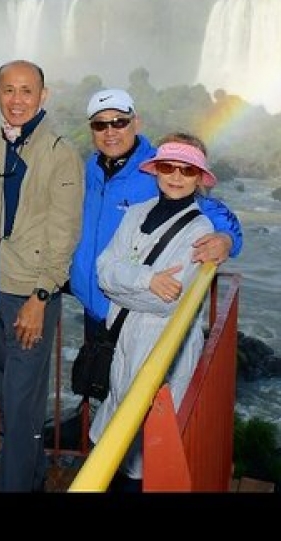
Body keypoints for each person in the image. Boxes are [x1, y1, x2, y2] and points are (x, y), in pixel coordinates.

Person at [90, 134, 220, 490]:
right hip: (126, 336)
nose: (176, 177)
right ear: (155, 170)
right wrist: (147, 279)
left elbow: (169, 301)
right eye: (168, 167)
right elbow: (103, 272)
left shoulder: (201, 230)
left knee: (145, 444)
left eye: (187, 170)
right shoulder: (134, 214)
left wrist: (125, 286)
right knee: (119, 421)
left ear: (199, 178)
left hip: (163, 345)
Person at [69, 88, 244, 347]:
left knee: (133, 382)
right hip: (93, 302)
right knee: (97, 384)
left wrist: (227, 239)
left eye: (119, 122)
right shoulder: (92, 165)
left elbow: (210, 208)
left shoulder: (161, 166)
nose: (110, 132)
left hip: (133, 307)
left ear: (135, 122)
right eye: (100, 124)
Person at [0, 60, 85, 492]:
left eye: (27, 91)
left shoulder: (61, 153)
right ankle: (37, 472)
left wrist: (40, 298)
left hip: (29, 296)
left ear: (44, 96)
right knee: (10, 398)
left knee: (21, 404)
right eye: (9, 90)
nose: (17, 99)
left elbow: (64, 234)